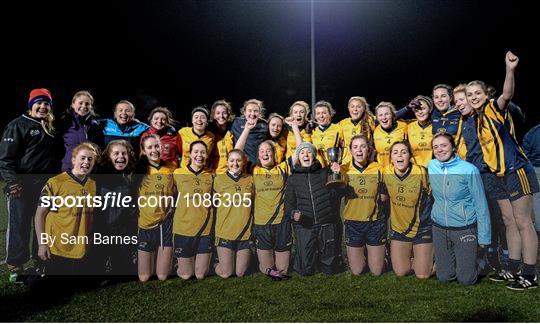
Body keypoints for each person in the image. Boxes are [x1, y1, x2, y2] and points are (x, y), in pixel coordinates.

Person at [468, 51, 539, 290]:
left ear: (486, 94)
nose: (473, 97)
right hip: (498, 175)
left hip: (516, 170)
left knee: (523, 222)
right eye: (469, 95)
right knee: (509, 221)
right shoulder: (477, 119)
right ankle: (513, 268)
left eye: (477, 92)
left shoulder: (493, 107)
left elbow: (507, 94)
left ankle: (529, 274)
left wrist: (510, 70)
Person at [0, 88, 58, 284]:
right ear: (31, 105)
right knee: (19, 224)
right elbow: (6, 159)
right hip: (22, 185)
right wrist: (12, 182)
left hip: (45, 185)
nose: (42, 107)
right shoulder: (17, 126)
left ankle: (39, 261)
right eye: (39, 103)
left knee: (42, 224)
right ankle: (16, 266)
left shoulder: (50, 126)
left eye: (46, 104)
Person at [428, 133, 491, 285]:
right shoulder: (432, 166)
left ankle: (481, 261)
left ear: (453, 147)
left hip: (464, 228)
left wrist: (484, 238)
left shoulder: (469, 170)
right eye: (436, 147)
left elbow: (481, 204)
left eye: (444, 145)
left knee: (466, 280)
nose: (440, 150)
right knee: (444, 277)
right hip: (440, 228)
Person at [34, 142, 99, 276]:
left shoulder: (94, 185)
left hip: (81, 250)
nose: (86, 162)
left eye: (90, 159)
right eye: (82, 158)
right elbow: (40, 215)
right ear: (73, 159)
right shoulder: (55, 182)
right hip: (56, 248)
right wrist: (42, 244)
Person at [284, 142, 343, 276]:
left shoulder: (324, 173)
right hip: (305, 226)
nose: (306, 155)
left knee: (330, 270)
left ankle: (328, 257)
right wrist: (294, 214)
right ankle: (309, 257)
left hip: (325, 224)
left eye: (309, 152)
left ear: (314, 156)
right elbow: (288, 206)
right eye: (302, 153)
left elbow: (336, 197)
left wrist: (336, 176)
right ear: (298, 158)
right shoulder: (292, 179)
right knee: (305, 270)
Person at [383, 141, 433, 279]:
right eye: (395, 152)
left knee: (422, 275)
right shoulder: (386, 172)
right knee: (401, 272)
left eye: (404, 152)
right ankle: (417, 258)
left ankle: (443, 261)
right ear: (391, 158)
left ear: (410, 155)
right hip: (399, 230)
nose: (399, 155)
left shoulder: (422, 172)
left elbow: (434, 196)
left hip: (422, 228)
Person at [340, 135, 387, 275]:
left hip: (375, 223)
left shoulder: (379, 169)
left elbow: (385, 196)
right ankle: (365, 254)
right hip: (353, 223)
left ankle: (384, 256)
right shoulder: (343, 169)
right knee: (357, 271)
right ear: (350, 151)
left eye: (363, 146)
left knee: (377, 271)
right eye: (355, 147)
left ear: (369, 149)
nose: (359, 150)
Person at [93, 140, 138, 278]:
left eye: (124, 153)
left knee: (123, 271)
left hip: (123, 228)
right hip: (102, 227)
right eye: (116, 153)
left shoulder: (132, 175)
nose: (120, 156)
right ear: (108, 156)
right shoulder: (98, 175)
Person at [136, 134, 176, 282]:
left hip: (164, 223)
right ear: (144, 151)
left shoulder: (171, 168)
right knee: (144, 277)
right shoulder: (138, 170)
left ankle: (174, 260)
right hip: (145, 224)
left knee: (162, 276)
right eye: (150, 147)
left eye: (156, 146)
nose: (154, 150)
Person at [172, 141, 214, 280]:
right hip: (183, 229)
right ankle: (179, 264)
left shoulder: (211, 175)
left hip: (205, 229)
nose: (199, 155)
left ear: (207, 155)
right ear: (189, 154)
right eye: (196, 152)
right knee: (186, 275)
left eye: (203, 152)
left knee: (201, 274)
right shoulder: (177, 173)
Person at [213, 149, 254, 278]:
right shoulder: (218, 179)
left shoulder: (250, 180)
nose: (235, 164)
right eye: (232, 160)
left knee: (240, 273)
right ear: (227, 162)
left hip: (245, 232)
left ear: (243, 163)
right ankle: (213, 263)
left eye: (238, 160)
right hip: (225, 231)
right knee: (226, 273)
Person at [56, 90, 101, 171]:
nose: (84, 106)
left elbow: (97, 148)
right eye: (80, 103)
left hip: (88, 170)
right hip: (68, 168)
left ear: (91, 107)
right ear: (73, 104)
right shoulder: (64, 122)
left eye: (87, 104)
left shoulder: (95, 125)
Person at [396, 84, 461, 136]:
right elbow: (392, 118)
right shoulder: (433, 114)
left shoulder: (460, 113)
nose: (440, 100)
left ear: (450, 98)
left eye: (443, 96)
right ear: (433, 99)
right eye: (436, 97)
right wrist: (407, 108)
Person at [339, 96, 376, 165]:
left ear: (364, 109)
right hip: (347, 165)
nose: (355, 109)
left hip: (365, 164)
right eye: (352, 106)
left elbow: (390, 116)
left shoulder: (370, 121)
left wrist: (403, 109)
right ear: (348, 108)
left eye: (359, 107)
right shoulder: (342, 123)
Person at [231, 99, 268, 165]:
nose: (252, 114)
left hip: (258, 166)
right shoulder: (236, 122)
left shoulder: (265, 125)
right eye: (250, 111)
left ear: (260, 113)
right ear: (244, 112)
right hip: (240, 165)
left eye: (256, 111)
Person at [373, 102, 407, 169]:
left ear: (392, 115)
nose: (384, 117)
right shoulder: (374, 130)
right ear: (377, 118)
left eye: (386, 114)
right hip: (383, 171)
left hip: (400, 171)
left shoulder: (404, 126)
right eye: (380, 115)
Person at [310, 100, 344, 168]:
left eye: (324, 113)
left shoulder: (338, 129)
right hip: (317, 170)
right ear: (315, 117)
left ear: (330, 114)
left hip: (334, 169)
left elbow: (345, 149)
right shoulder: (312, 132)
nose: (321, 116)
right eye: (318, 113)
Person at [208, 99, 235, 174]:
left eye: (224, 113)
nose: (221, 116)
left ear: (228, 115)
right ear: (213, 115)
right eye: (218, 113)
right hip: (213, 172)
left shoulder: (233, 131)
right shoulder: (208, 132)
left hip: (230, 172)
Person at [522, 122, 540, 234]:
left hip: (536, 168)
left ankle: (538, 227)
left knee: (537, 199)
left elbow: (524, 154)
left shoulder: (532, 132)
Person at [406, 95, 434, 167]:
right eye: (416, 109)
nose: (420, 112)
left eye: (423, 108)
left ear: (430, 109)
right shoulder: (408, 126)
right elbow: (392, 117)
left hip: (434, 169)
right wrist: (407, 107)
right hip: (415, 170)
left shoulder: (436, 126)